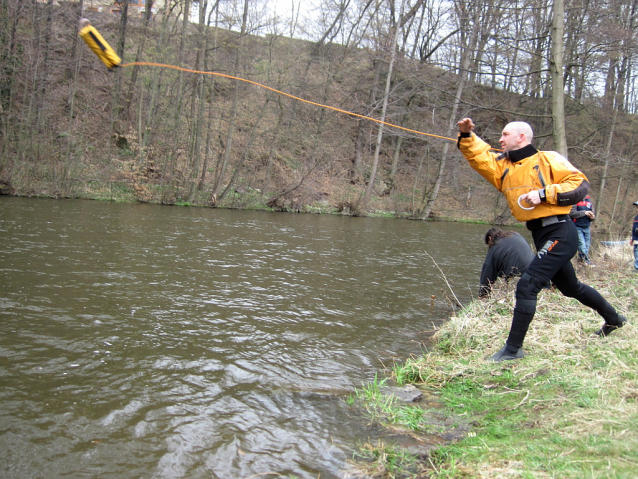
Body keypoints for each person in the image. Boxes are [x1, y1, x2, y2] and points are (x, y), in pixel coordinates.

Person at [457, 118, 627, 361]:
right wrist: (466, 135)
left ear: (521, 138)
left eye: (505, 134)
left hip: (561, 231)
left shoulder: (547, 159)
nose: (500, 139)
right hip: (541, 233)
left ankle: (513, 350)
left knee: (527, 285)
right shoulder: (503, 167)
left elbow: (579, 185)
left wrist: (543, 194)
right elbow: (478, 157)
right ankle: (614, 319)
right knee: (571, 287)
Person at [479, 228, 534, 298]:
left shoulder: (494, 247)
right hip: (536, 272)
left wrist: (483, 295)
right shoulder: (516, 235)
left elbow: (487, 275)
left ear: (490, 238)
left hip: (520, 280)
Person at [569, 195, 595, 264]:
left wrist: (592, 217)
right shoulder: (575, 200)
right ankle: (586, 262)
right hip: (577, 226)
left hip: (587, 226)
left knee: (587, 246)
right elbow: (571, 213)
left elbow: (592, 213)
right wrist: (584, 213)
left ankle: (582, 261)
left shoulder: (589, 200)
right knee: (582, 245)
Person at [631, 201, 638, 272]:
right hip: (636, 239)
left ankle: (637, 267)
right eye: (637, 207)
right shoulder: (636, 217)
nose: (637, 209)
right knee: (636, 252)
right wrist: (632, 238)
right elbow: (633, 229)